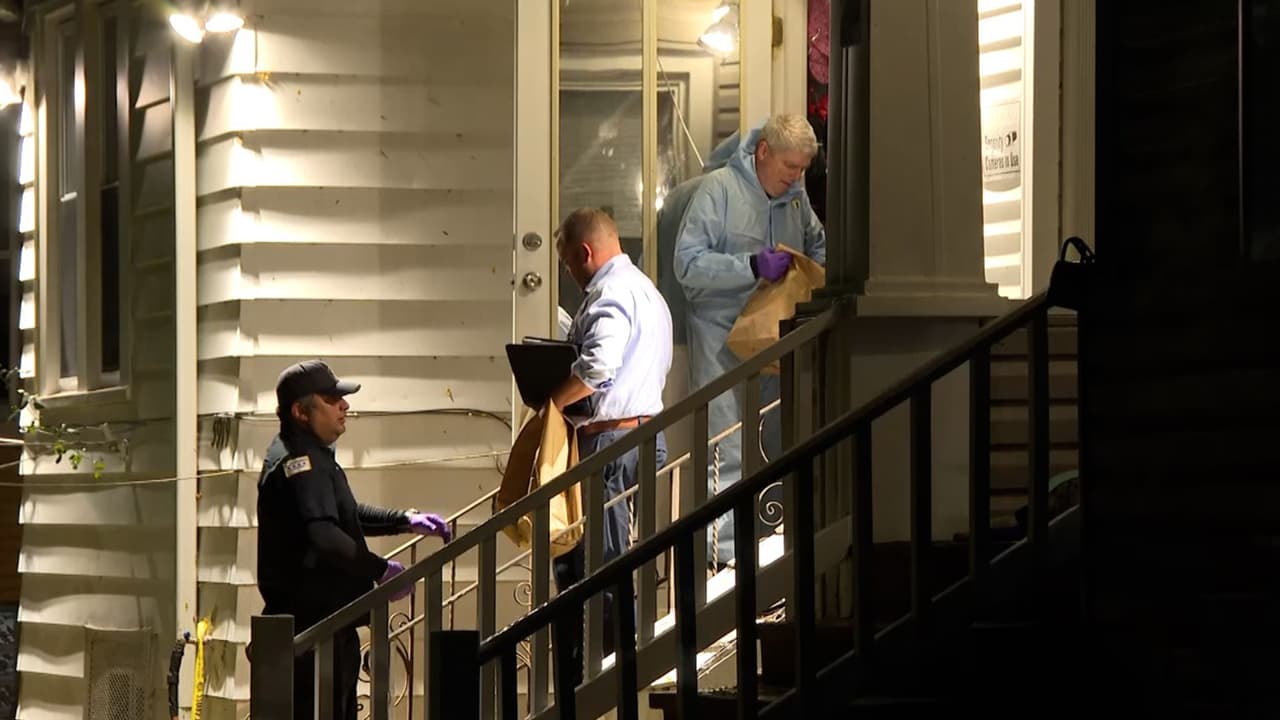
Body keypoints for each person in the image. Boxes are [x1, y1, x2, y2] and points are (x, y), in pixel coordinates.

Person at [256, 360, 452, 720]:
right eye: (331, 399)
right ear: (301, 411)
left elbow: (342, 515)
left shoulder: (309, 453)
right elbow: (324, 535)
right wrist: (380, 571)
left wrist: (404, 521)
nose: (344, 405)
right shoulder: (300, 461)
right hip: (313, 632)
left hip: (325, 627)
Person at [673, 113, 826, 566]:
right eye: (789, 167)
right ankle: (721, 559)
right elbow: (687, 266)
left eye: (801, 169)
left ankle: (770, 545)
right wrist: (751, 267)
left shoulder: (796, 199)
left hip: (777, 338)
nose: (796, 177)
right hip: (721, 340)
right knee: (727, 442)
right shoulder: (717, 190)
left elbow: (818, 247)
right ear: (762, 152)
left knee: (776, 438)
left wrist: (816, 277)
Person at [549, 208, 673, 685]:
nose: (569, 274)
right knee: (615, 560)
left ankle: (603, 679)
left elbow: (600, 365)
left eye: (567, 263)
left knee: (599, 567)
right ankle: (614, 669)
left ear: (584, 253)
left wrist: (553, 404)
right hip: (642, 435)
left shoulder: (609, 291)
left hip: (612, 441)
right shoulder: (647, 290)